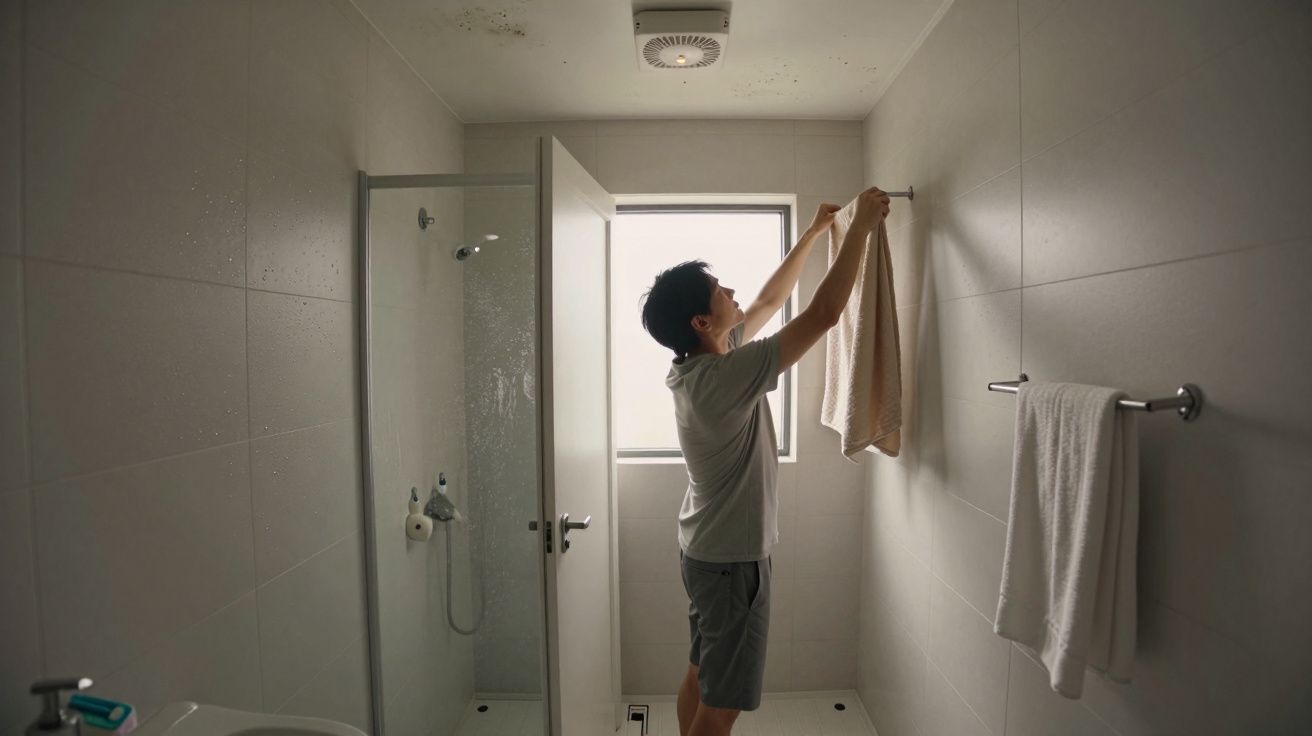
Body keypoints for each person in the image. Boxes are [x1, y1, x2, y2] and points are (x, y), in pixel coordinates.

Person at [638, 186, 891, 735]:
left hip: (705, 552)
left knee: (703, 672)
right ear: (702, 323)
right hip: (731, 561)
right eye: (717, 291)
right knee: (723, 704)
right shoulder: (725, 378)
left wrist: (812, 236)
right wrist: (863, 230)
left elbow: (768, 303)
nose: (731, 291)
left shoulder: (701, 366)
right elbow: (823, 314)